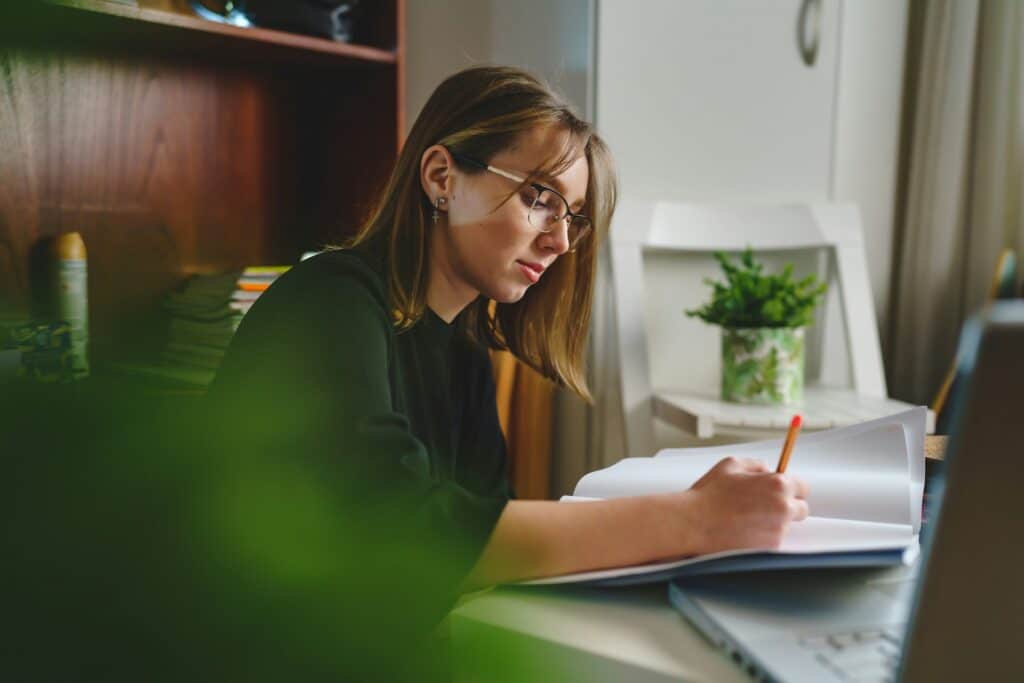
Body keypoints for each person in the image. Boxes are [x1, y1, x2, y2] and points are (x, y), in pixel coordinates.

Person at [206, 64, 809, 677]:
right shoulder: (327, 303)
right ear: (442, 177)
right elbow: (406, 528)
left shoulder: (463, 346)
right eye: (540, 200)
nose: (561, 242)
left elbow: (477, 552)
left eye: (572, 216)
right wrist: (695, 518)